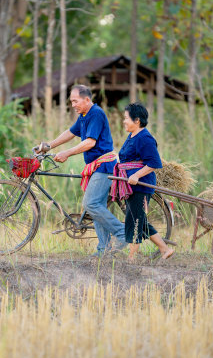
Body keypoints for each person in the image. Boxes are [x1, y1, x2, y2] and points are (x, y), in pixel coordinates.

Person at [35, 84, 126, 256]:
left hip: (104, 166)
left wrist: (67, 153)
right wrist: (48, 145)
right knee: (96, 206)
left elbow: (90, 142)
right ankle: (103, 250)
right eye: (71, 102)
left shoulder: (96, 114)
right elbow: (70, 133)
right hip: (95, 167)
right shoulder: (84, 116)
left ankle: (122, 233)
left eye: (76, 101)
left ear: (87, 99)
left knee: (91, 204)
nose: (73, 105)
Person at [111, 102, 174, 261]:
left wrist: (137, 175)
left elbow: (154, 162)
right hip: (130, 185)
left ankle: (132, 258)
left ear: (137, 120)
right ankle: (164, 249)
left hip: (141, 185)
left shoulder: (145, 138)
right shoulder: (132, 136)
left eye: (126, 118)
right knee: (138, 219)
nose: (124, 121)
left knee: (135, 221)